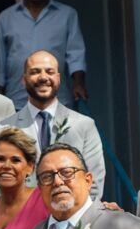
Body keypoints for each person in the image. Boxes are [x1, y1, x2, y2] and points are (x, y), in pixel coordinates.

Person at [10, 51, 105, 199]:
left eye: (49, 71)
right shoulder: (5, 128)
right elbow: (0, 184)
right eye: (35, 72)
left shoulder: (84, 125)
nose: (43, 77)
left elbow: (94, 182)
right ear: (24, 79)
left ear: (58, 78)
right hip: (24, 218)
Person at [0, 0, 87, 108]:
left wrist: (79, 84)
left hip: (57, 100)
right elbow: (0, 61)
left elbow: (76, 54)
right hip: (17, 100)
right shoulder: (6, 17)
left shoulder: (67, 15)